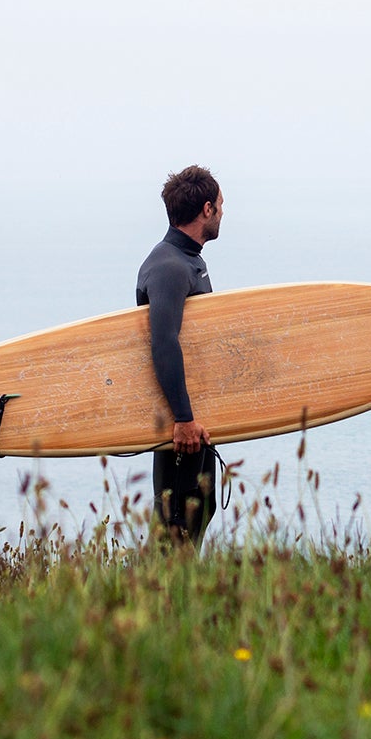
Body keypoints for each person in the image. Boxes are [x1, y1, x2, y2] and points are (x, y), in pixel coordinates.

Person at [136, 165, 223, 544]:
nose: (222, 213)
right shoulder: (169, 266)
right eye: (220, 205)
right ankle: (153, 601)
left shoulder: (188, 260)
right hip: (180, 425)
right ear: (206, 209)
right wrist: (183, 419)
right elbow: (164, 342)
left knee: (200, 512)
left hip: (194, 420)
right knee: (174, 528)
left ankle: (182, 600)